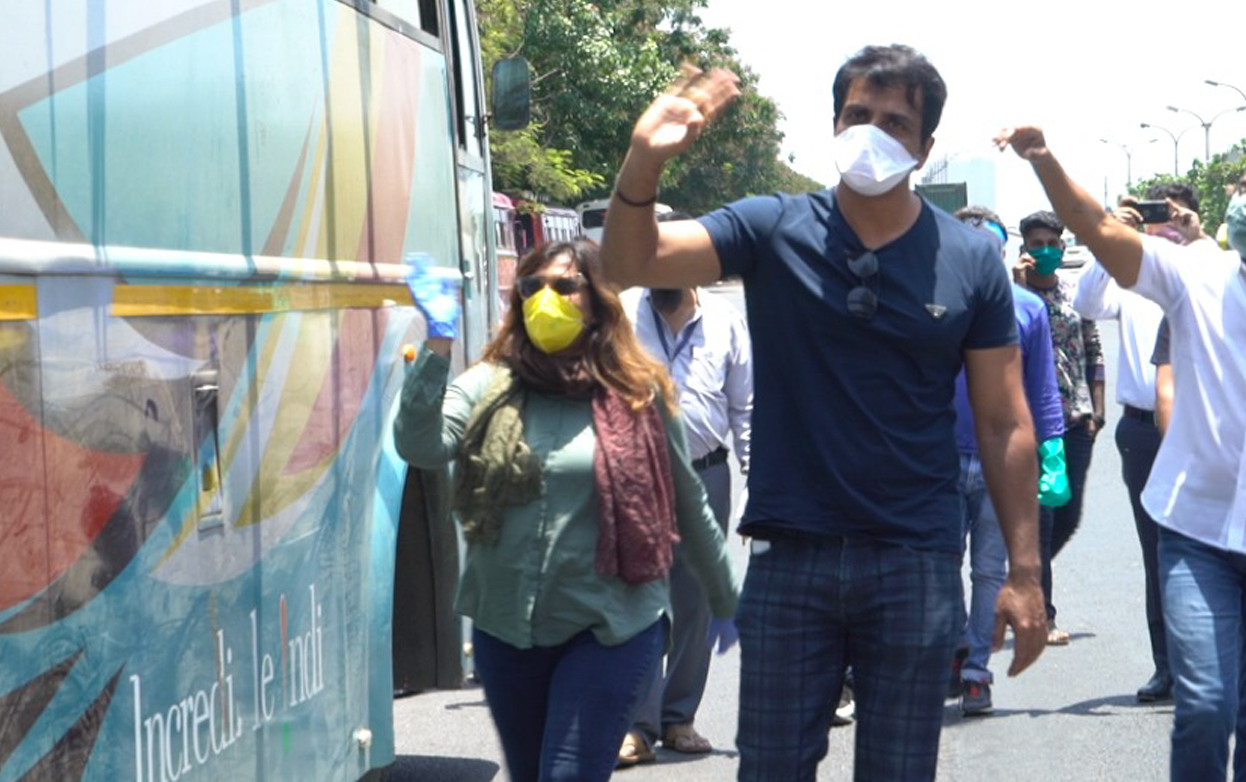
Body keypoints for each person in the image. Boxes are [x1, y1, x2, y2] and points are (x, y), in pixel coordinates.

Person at [602, 48, 1047, 782]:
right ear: (834, 125)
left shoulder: (969, 260)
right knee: (771, 769)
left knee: (898, 771)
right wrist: (642, 162)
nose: (873, 131)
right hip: (791, 558)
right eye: (858, 116)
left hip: (915, 560)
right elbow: (631, 263)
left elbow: (1005, 425)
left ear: (926, 148)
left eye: (896, 122)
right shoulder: (772, 227)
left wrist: (1024, 575)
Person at [996, 126, 1246, 782]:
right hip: (1195, 533)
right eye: (1241, 189)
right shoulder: (1193, 275)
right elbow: (1096, 226)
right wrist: (1043, 160)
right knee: (1208, 704)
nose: (1242, 202)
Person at [395, 242, 736, 782]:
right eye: (531, 288)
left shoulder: (637, 392)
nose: (544, 299)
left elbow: (687, 498)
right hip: (507, 630)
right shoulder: (490, 384)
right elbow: (420, 445)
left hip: (609, 627)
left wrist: (724, 596)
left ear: (597, 301)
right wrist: (437, 342)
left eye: (563, 286)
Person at [1072, 185, 1203, 700]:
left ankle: (1209, 665)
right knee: (1158, 552)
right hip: (1143, 430)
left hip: (1202, 428)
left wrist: (1194, 240)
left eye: (1171, 215)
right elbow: (1086, 301)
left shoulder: (1203, 269)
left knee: (1209, 548)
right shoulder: (1131, 272)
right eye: (1154, 215)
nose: (1162, 223)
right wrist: (1112, 233)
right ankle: (1166, 665)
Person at [617, 282, 752, 765]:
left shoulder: (724, 322)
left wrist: (754, 482)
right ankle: (637, 724)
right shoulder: (623, 312)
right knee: (643, 599)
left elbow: (745, 408)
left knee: (693, 604)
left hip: (706, 472)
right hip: (635, 474)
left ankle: (678, 718)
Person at [953, 207, 1066, 717]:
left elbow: (1042, 391)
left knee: (989, 572)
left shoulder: (1027, 309)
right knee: (936, 569)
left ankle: (977, 670)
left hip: (1003, 464)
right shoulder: (935, 305)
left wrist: (1052, 452)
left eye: (988, 245)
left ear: (1000, 251)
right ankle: (954, 649)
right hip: (938, 460)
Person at [1014, 209, 1104, 646]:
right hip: (1031, 422)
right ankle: (1042, 615)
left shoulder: (1076, 296)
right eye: (1037, 244)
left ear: (1063, 246)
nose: (1045, 251)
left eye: (1052, 243)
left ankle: (1018, 578)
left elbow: (1094, 349)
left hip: (1076, 418)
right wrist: (1017, 287)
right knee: (1043, 518)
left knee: (1069, 514)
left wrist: (1097, 412)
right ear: (1024, 249)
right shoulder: (1010, 297)